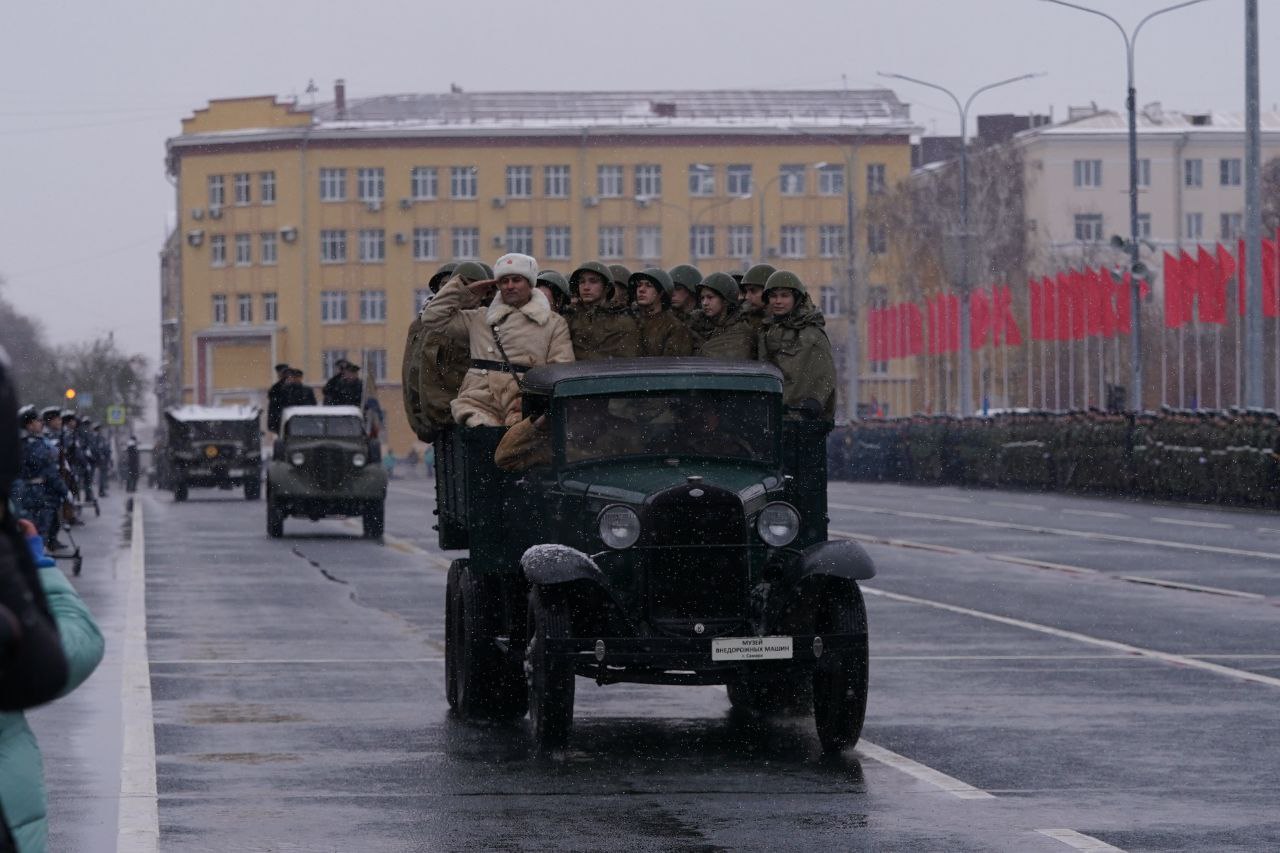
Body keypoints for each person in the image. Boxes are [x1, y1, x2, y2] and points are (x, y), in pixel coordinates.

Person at [418, 252, 574, 427]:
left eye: (516, 280)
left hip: (524, 403)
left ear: (530, 283)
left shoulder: (552, 323)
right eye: (504, 281)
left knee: (516, 448)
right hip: (479, 402)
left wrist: (539, 404)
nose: (510, 286)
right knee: (483, 444)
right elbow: (431, 318)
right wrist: (465, 291)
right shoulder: (480, 318)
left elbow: (561, 370)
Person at [410, 260, 490, 440]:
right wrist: (429, 421)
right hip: (451, 422)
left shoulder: (489, 320)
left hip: (484, 417)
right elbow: (418, 379)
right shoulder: (434, 328)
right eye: (444, 286)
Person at [757, 270, 836, 421]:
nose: (778, 301)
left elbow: (824, 374)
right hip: (771, 417)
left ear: (796, 298)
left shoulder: (811, 333)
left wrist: (814, 401)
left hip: (801, 420)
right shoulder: (765, 331)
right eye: (773, 296)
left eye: (784, 295)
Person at [565, 260, 640, 361]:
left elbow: (626, 361)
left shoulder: (623, 320)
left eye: (593, 281)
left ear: (607, 287)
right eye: (582, 282)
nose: (586, 287)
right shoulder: (569, 318)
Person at [630, 268, 695, 358]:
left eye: (649, 285)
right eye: (639, 285)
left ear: (661, 293)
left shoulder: (674, 327)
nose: (641, 289)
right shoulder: (630, 321)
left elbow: (672, 367)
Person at [690, 272, 756, 360]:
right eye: (702, 298)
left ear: (725, 301)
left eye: (710, 297)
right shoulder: (694, 325)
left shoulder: (740, 331)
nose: (705, 303)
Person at [739, 263, 776, 332]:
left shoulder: (787, 323)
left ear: (768, 292)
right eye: (746, 291)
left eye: (753, 291)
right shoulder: (744, 321)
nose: (747, 297)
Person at [267, 362, 291, 434]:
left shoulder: (292, 386)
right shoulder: (276, 388)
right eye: (280, 372)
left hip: (292, 419)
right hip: (280, 420)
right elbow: (273, 406)